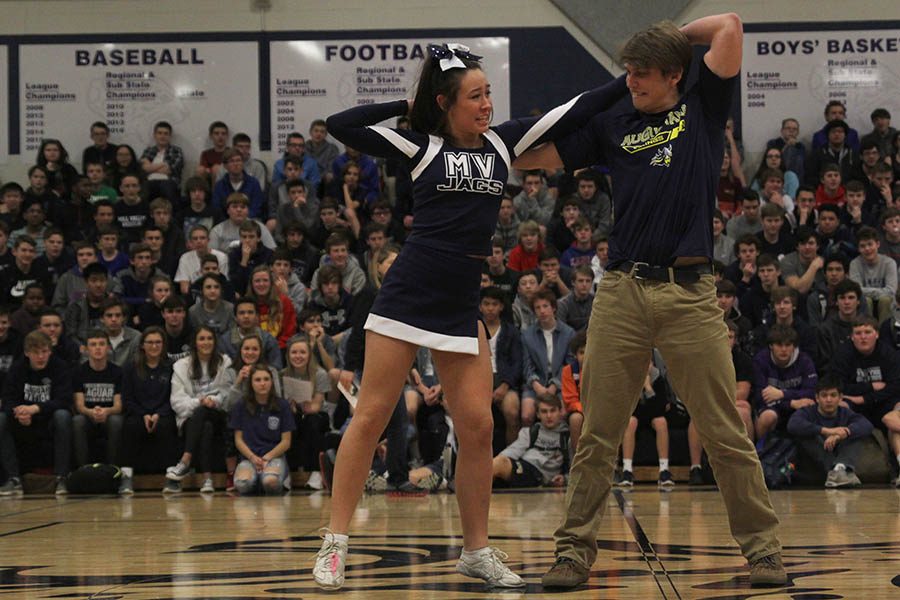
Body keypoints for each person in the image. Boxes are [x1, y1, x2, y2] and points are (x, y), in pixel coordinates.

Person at [315, 41, 630, 590]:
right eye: (475, 96)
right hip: (409, 295)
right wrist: (408, 105)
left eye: (489, 94)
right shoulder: (420, 145)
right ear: (445, 102)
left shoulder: (502, 144)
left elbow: (574, 109)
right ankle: (335, 544)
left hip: (461, 302)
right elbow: (343, 123)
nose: (487, 105)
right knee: (370, 417)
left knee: (480, 427)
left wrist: (629, 80)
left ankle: (476, 551)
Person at [516, 14, 786, 588]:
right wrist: (485, 146)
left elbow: (730, 27)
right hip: (623, 290)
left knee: (722, 429)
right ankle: (572, 553)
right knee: (597, 431)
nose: (632, 81)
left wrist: (672, 33)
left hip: (690, 293)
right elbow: (531, 156)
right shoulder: (614, 120)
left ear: (673, 74)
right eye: (628, 73)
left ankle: (763, 550)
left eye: (643, 73)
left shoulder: (703, 106)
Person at [0, 330, 72, 495]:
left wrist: (35, 409)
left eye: (44, 352)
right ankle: (13, 479)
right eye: (36, 352)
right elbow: (8, 398)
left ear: (50, 351)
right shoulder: (18, 368)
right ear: (27, 353)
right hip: (23, 420)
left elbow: (64, 399)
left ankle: (61, 477)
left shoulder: (59, 366)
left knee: (63, 415)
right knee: (1, 419)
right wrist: (18, 413)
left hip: (48, 419)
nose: (41, 356)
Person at [166, 326, 234, 494]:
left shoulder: (224, 362)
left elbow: (228, 393)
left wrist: (214, 401)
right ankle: (207, 478)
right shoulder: (181, 366)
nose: (206, 342)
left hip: (219, 414)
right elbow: (177, 401)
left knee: (204, 413)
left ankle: (185, 460)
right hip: (191, 416)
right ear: (194, 343)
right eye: (201, 339)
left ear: (215, 341)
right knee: (204, 423)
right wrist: (199, 402)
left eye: (209, 338)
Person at [787, 375, 872, 488]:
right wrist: (826, 431)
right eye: (824, 395)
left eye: (833, 395)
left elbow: (867, 425)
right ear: (817, 398)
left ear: (840, 398)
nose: (828, 400)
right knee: (808, 435)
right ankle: (836, 471)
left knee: (854, 434)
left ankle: (839, 468)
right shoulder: (807, 412)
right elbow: (792, 425)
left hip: (839, 458)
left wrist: (843, 433)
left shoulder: (845, 413)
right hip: (813, 466)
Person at [230, 365, 295, 495]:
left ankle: (276, 478)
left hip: (274, 457)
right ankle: (257, 481)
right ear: (251, 383)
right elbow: (238, 440)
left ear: (272, 382)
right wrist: (253, 458)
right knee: (243, 484)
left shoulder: (282, 405)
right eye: (257, 380)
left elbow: (286, 442)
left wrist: (267, 458)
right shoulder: (241, 405)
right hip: (249, 458)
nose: (262, 383)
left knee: (270, 482)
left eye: (266, 379)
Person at [614, 356, 675, 488]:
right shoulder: (628, 377)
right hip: (635, 415)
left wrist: (648, 388)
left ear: (651, 363)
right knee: (630, 422)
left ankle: (664, 470)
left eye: (647, 362)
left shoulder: (657, 377)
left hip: (653, 414)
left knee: (661, 422)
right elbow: (629, 407)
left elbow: (660, 407)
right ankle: (627, 470)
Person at [752, 325, 818, 440]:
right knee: (768, 416)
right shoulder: (761, 360)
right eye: (779, 345)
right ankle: (762, 452)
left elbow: (811, 392)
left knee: (812, 407)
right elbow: (760, 397)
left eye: (788, 345)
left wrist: (783, 394)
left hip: (799, 406)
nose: (784, 349)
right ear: (771, 346)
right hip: (773, 407)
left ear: (794, 347)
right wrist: (790, 403)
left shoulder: (805, 361)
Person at [492, 393, 569, 488]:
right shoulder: (532, 432)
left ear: (560, 412)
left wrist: (565, 479)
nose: (549, 416)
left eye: (552, 411)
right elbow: (512, 451)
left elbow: (575, 464)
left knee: (499, 465)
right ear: (538, 414)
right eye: (544, 412)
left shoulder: (567, 437)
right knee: (498, 468)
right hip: (524, 467)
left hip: (541, 476)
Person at [71, 329, 123, 467]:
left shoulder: (118, 372)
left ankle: (114, 469)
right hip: (88, 416)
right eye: (93, 345)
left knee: (116, 421)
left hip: (109, 416)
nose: (98, 348)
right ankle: (82, 469)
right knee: (77, 421)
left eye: (101, 344)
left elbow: (118, 406)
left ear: (108, 347)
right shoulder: (78, 372)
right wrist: (92, 412)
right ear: (86, 349)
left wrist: (106, 412)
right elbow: (79, 406)